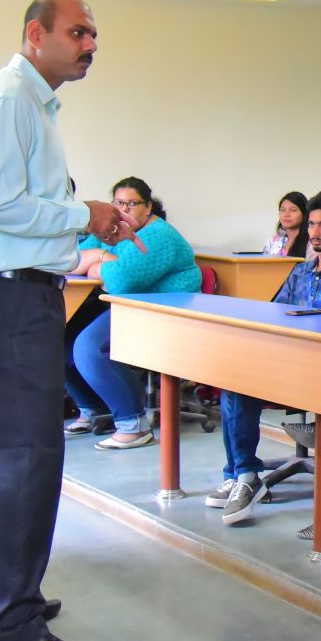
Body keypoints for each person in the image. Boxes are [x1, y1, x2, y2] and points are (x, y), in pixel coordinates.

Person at [0, 0, 134, 641]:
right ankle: (10, 628)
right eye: (78, 32)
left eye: (93, 35)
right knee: (25, 466)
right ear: (36, 34)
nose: (90, 45)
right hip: (9, 304)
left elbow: (9, 208)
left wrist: (74, 227)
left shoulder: (28, 104)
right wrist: (80, 214)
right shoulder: (8, 101)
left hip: (3, 299)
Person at [210, 191, 321, 526]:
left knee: (240, 388)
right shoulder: (300, 272)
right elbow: (275, 313)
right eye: (312, 224)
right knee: (232, 382)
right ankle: (241, 474)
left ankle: (246, 476)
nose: (315, 231)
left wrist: (294, 323)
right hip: (287, 361)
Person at [65, 176, 202, 449]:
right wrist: (102, 258)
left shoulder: (159, 235)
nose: (124, 209)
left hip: (165, 313)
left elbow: (121, 281)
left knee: (89, 347)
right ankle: (94, 410)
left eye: (132, 203)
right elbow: (71, 259)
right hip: (131, 306)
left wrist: (98, 262)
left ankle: (134, 425)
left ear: (148, 207)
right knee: (59, 335)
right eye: (118, 203)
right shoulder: (114, 230)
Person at [263, 191, 309, 257]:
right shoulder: (272, 241)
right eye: (282, 210)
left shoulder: (311, 243)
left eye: (293, 210)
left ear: (304, 214)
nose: (286, 214)